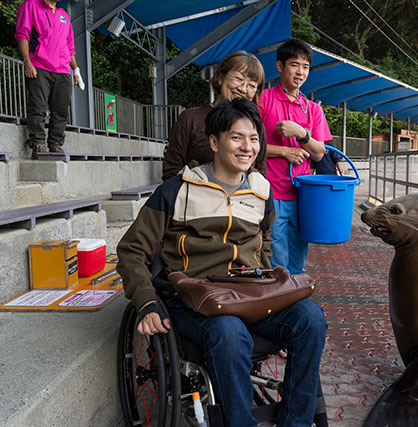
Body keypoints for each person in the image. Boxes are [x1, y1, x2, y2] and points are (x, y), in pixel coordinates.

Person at [117, 98, 327, 427]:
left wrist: (269, 277)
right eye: (236, 137)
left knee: (311, 317)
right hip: (195, 300)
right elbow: (132, 250)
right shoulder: (176, 191)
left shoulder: (262, 192)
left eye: (254, 138)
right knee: (229, 332)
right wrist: (146, 301)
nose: (247, 147)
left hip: (250, 294)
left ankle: (296, 422)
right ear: (214, 142)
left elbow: (266, 241)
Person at [259, 39, 331, 275]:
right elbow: (247, 146)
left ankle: (296, 305)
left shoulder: (313, 109)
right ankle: (279, 305)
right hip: (270, 193)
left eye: (305, 66)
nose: (300, 72)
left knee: (299, 258)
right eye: (294, 65)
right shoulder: (263, 100)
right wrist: (283, 151)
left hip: (303, 195)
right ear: (280, 66)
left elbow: (319, 152)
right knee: (276, 259)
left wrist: (301, 134)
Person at [162, 50, 266, 181]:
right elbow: (171, 171)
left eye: (251, 85)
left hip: (239, 199)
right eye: (238, 79)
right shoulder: (190, 119)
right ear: (221, 77)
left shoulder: (255, 126)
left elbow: (259, 172)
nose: (243, 89)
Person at [15, 0, 82, 159]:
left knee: (61, 111)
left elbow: (70, 47)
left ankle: (55, 144)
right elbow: (22, 34)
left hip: (63, 70)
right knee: (37, 106)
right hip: (40, 66)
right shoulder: (30, 5)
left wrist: (76, 70)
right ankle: (38, 142)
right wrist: (27, 62)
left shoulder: (63, 15)